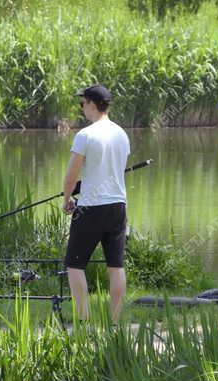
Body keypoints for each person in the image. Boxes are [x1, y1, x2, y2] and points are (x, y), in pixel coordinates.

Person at [62, 84, 130, 323]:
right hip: (118, 207)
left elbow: (71, 176)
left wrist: (67, 197)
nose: (82, 108)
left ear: (92, 103)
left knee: (74, 264)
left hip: (91, 207)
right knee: (116, 265)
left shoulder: (85, 135)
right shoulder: (121, 134)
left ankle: (83, 319)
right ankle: (114, 321)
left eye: (82, 103)